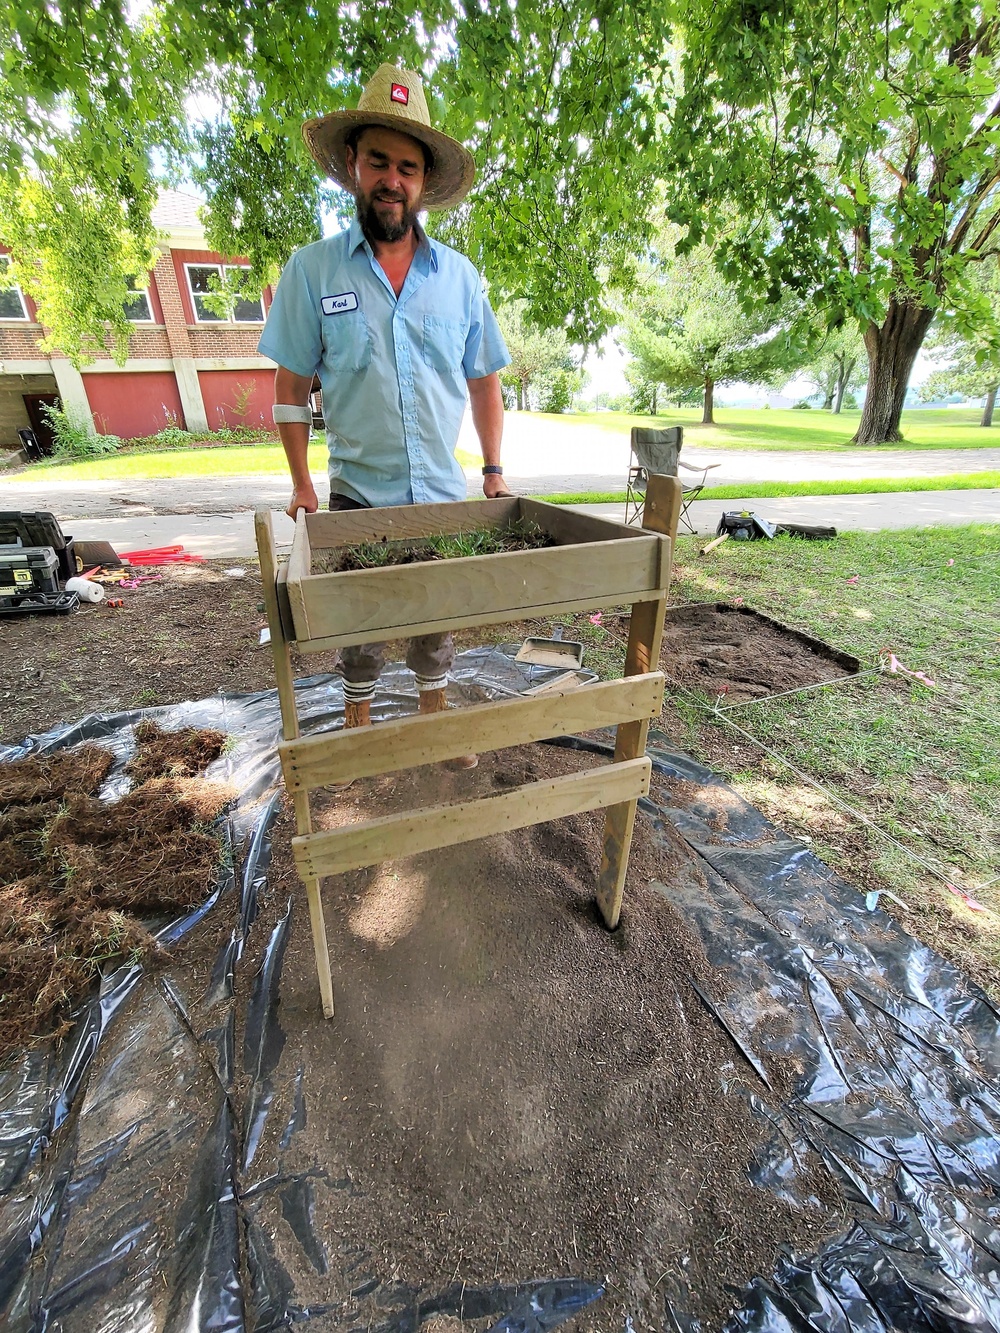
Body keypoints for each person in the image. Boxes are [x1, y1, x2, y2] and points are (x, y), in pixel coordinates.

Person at [258, 64, 511, 764]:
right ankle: (359, 727)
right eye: (379, 162)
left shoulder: (460, 278)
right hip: (356, 494)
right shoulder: (313, 272)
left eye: (407, 166)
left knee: (437, 612)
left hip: (439, 493)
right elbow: (289, 386)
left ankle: (434, 717)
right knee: (359, 620)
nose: (392, 179)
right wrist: (302, 483)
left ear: (423, 182)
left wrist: (492, 471)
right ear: (352, 165)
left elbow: (485, 380)